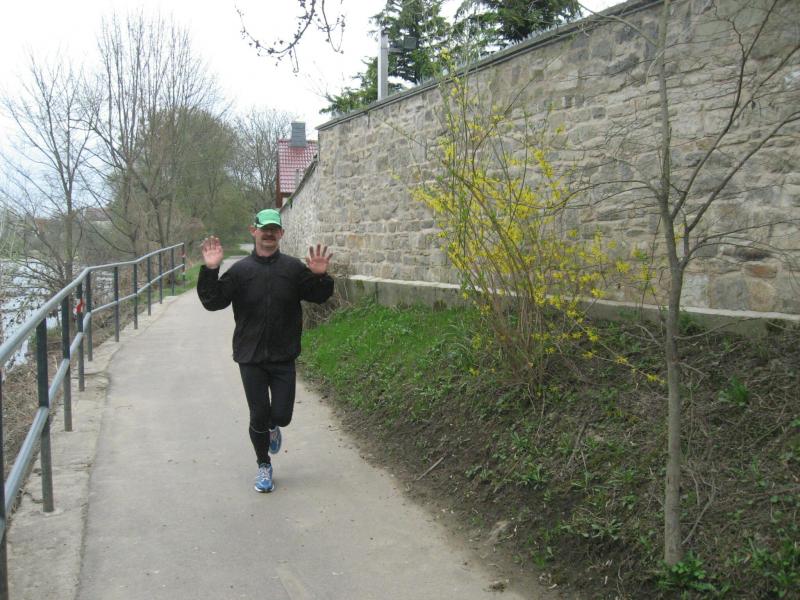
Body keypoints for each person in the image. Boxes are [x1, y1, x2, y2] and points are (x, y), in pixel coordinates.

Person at [197, 208, 333, 493]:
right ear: (254, 231)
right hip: (250, 357)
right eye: (264, 229)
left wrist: (320, 277)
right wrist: (210, 270)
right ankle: (263, 465)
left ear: (280, 233)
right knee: (258, 415)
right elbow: (213, 301)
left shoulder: (293, 269)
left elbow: (319, 296)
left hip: (284, 355)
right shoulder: (240, 272)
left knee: (281, 416)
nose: (269, 234)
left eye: (274, 229)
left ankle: (274, 426)